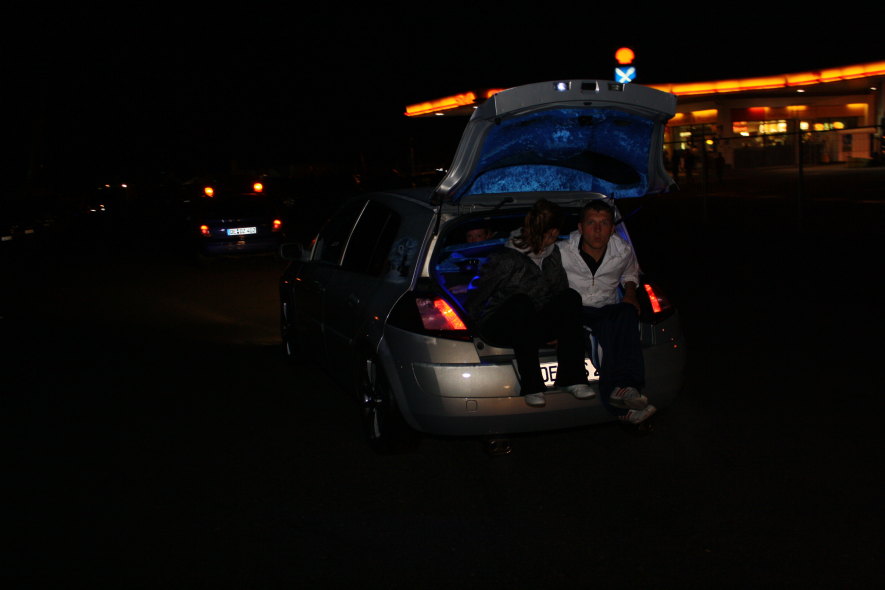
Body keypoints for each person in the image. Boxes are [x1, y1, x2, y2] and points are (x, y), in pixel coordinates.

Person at [466, 199, 596, 407]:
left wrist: (560, 329)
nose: (554, 236)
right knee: (521, 303)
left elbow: (559, 293)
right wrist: (469, 332)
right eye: (552, 232)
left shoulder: (552, 253)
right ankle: (532, 385)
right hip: (500, 324)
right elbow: (477, 297)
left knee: (570, 297)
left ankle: (572, 379)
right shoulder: (506, 258)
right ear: (550, 231)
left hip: (532, 323)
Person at [558, 199, 655, 424]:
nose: (597, 230)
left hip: (607, 307)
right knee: (602, 341)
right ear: (580, 227)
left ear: (612, 229)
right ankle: (622, 405)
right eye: (591, 223)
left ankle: (628, 388)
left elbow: (630, 273)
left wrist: (630, 293)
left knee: (627, 314)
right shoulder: (562, 252)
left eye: (604, 223)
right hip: (577, 312)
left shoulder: (623, 251)